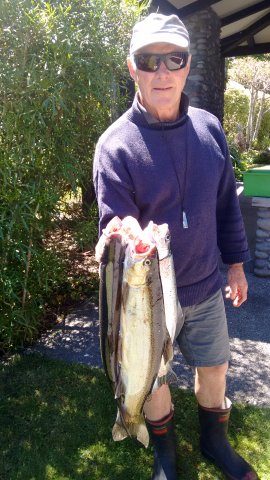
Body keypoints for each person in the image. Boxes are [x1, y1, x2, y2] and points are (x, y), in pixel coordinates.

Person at [93, 13, 258, 480]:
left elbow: (226, 205)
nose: (162, 72)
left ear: (187, 66)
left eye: (174, 59)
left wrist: (237, 266)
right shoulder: (115, 146)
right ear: (132, 68)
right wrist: (122, 231)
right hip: (148, 302)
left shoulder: (210, 129)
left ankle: (214, 441)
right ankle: (164, 453)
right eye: (149, 60)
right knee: (155, 380)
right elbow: (112, 226)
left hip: (206, 286)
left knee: (215, 370)